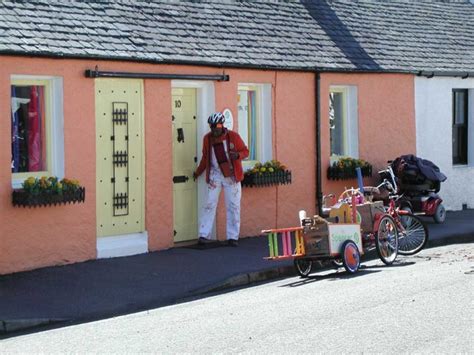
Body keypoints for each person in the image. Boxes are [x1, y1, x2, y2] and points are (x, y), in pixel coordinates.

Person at [193, 112, 249, 247]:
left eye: (216, 127)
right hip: (215, 175)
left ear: (222, 125)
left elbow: (246, 151)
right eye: (212, 127)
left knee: (233, 206)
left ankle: (233, 237)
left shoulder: (233, 137)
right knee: (209, 204)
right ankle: (203, 235)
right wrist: (198, 172)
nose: (214, 130)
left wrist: (238, 155)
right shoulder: (207, 139)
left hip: (231, 176)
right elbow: (205, 157)